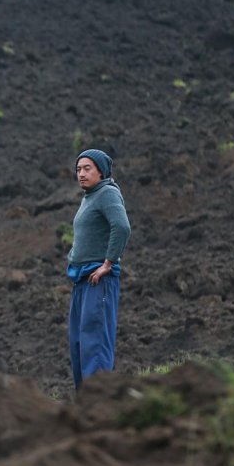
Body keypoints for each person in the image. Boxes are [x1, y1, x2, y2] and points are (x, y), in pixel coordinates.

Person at [67, 149, 130, 394]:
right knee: (79, 343)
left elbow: (122, 227)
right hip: (82, 280)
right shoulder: (89, 197)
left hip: (98, 279)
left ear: (101, 171)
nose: (81, 174)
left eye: (87, 168)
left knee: (95, 344)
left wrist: (108, 263)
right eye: (78, 169)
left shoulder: (107, 193)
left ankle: (100, 403)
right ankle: (85, 403)